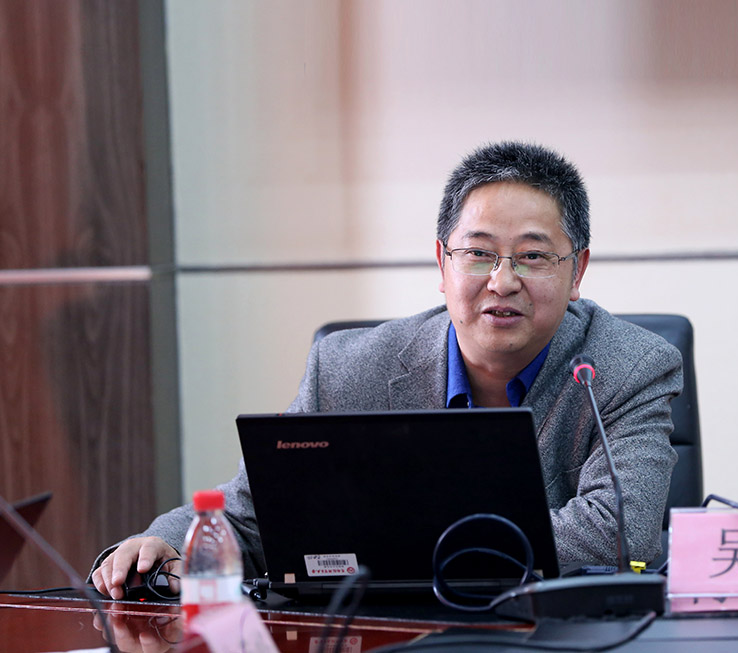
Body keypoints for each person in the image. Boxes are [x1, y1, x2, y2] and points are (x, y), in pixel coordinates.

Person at [91, 141, 682, 600]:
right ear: (442, 262)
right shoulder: (347, 369)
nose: (503, 281)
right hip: (382, 633)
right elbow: (255, 516)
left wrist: (406, 538)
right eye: (478, 253)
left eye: (532, 256)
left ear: (577, 271)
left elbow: (617, 534)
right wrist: (164, 539)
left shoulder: (628, 368)